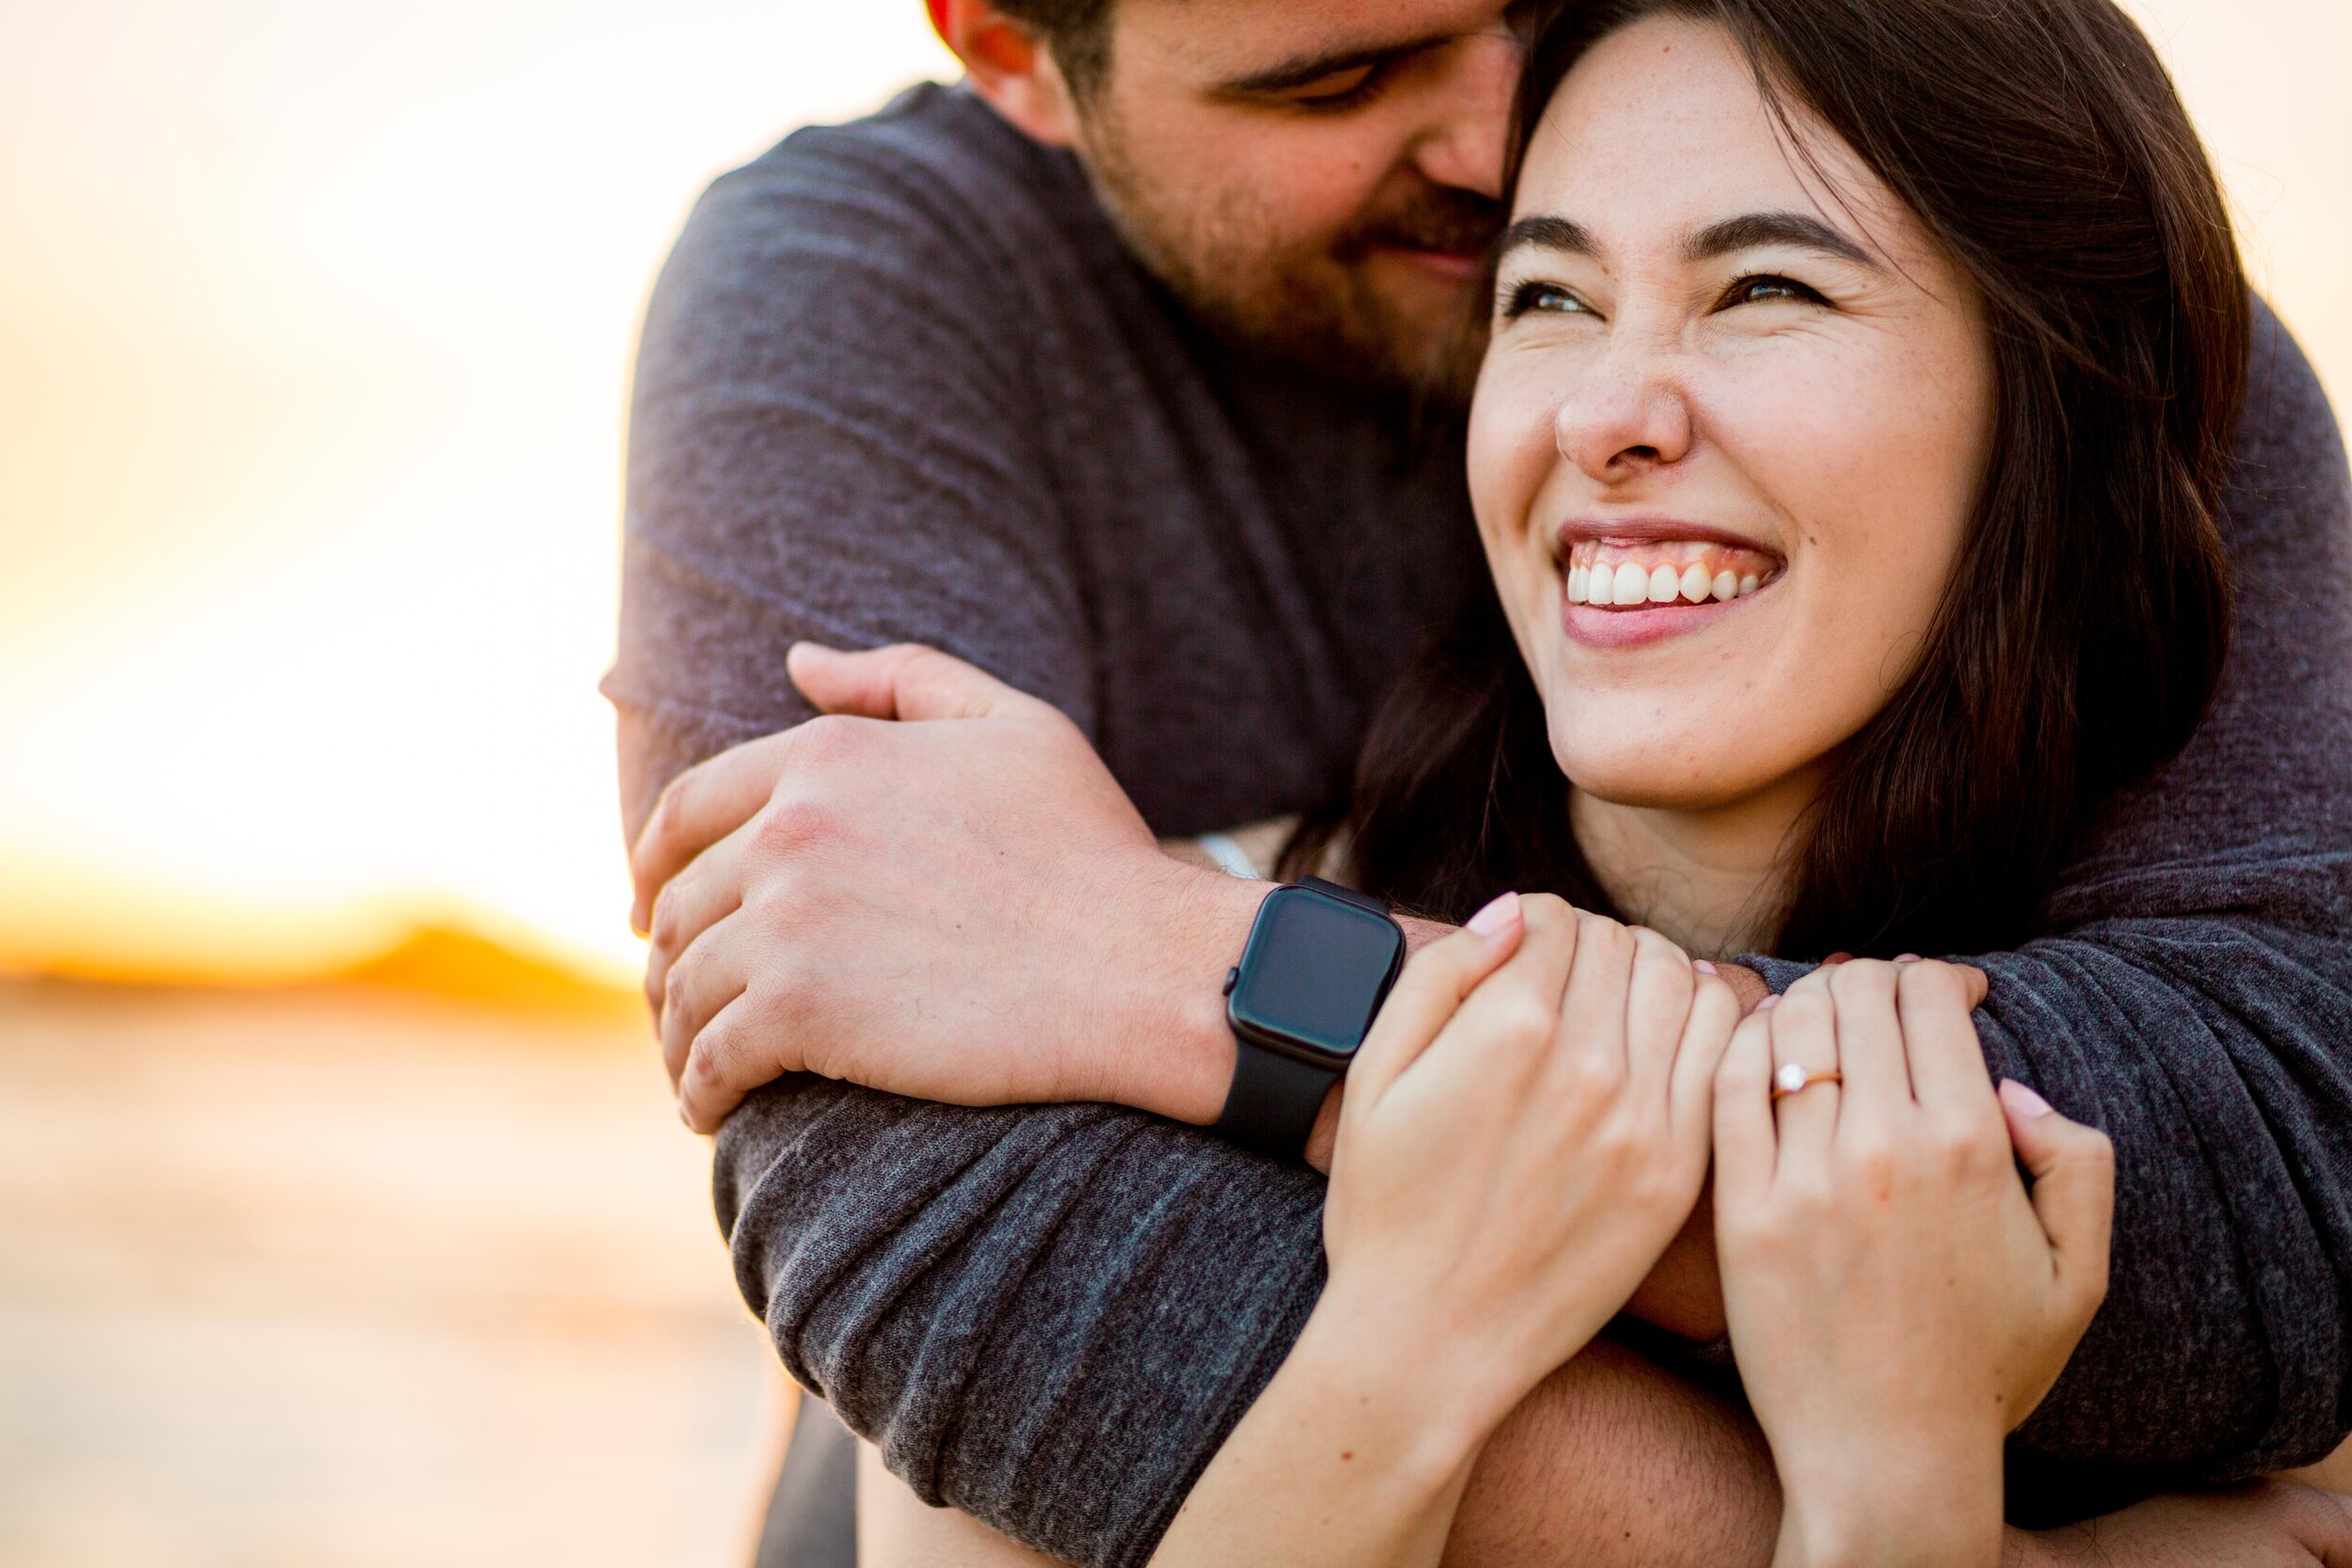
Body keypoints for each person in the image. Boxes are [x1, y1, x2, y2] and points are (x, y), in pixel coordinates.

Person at [609, 0, 2352, 1563]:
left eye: (1764, 287)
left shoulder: (2068, 270)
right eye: (1344, 78)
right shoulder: (869, 291)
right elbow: (985, 1265)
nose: (1501, 124)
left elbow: (2285, 1177)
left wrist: (1169, 967)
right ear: (1009, 51)